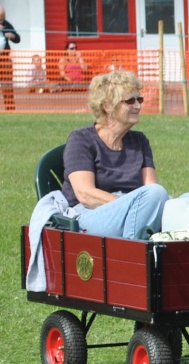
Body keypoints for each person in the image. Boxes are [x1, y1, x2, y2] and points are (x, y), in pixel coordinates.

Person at [61, 70, 169, 239]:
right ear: (108, 106)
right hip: (89, 214)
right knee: (156, 195)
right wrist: (129, 205)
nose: (138, 106)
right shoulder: (81, 139)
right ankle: (132, 257)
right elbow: (85, 194)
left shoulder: (139, 141)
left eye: (139, 99)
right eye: (130, 101)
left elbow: (151, 188)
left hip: (133, 209)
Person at [0, 5, 21, 111]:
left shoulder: (7, 24)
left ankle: (10, 110)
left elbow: (18, 38)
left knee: (7, 86)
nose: (2, 21)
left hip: (4, 59)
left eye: (3, 18)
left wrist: (12, 36)